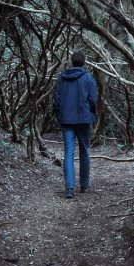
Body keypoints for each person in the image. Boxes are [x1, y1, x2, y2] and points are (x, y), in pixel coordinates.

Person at [53, 51, 98, 199]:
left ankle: (70, 189)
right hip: (84, 120)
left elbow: (56, 100)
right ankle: (84, 185)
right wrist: (92, 114)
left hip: (66, 120)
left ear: (72, 62)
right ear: (84, 62)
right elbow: (93, 99)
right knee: (84, 151)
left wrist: (59, 116)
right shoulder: (88, 78)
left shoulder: (61, 78)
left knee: (69, 153)